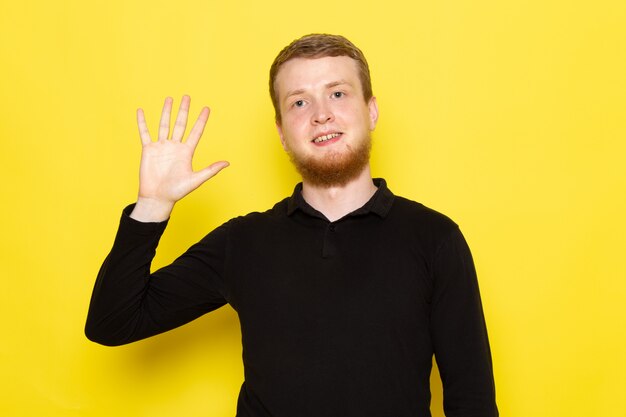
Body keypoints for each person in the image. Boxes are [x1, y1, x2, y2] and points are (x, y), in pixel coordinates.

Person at [85, 34, 498, 417]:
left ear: (370, 111)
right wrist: (152, 205)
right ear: (282, 133)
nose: (321, 115)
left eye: (338, 93)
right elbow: (113, 322)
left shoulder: (434, 238)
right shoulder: (244, 242)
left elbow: (472, 399)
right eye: (299, 102)